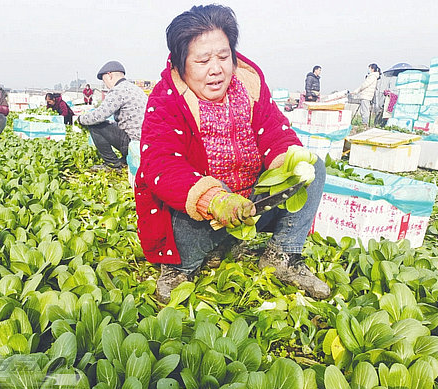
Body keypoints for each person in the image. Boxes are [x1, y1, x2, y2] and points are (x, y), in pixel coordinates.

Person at [135, 4, 330, 303]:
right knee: (204, 194)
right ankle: (179, 269)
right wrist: (215, 199)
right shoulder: (166, 101)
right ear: (180, 63)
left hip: (250, 207)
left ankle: (282, 255)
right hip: (200, 217)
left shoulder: (250, 88)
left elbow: (276, 131)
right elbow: (161, 165)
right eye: (203, 60)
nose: (216, 69)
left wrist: (286, 163)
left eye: (224, 57)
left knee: (310, 166)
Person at [78, 61, 148, 171]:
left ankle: (112, 164)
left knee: (95, 125)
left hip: (132, 142)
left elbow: (98, 116)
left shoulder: (118, 90)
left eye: (104, 80)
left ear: (109, 75)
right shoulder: (136, 89)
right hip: (144, 143)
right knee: (119, 124)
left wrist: (80, 119)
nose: (106, 85)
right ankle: (125, 160)